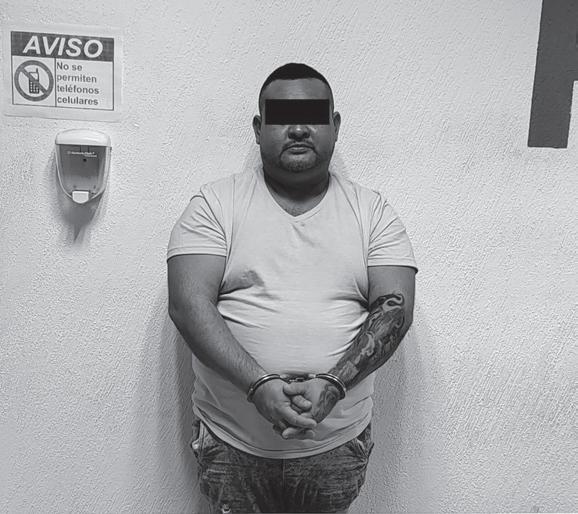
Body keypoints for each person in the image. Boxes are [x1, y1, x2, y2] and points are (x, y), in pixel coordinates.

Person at [167, 63, 418, 514]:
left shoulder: (372, 212)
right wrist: (258, 385)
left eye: (313, 116)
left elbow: (395, 308)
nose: (299, 128)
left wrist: (334, 384)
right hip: (231, 442)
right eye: (283, 116)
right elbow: (188, 305)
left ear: (334, 126)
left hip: (335, 445)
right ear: (258, 128)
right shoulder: (215, 205)